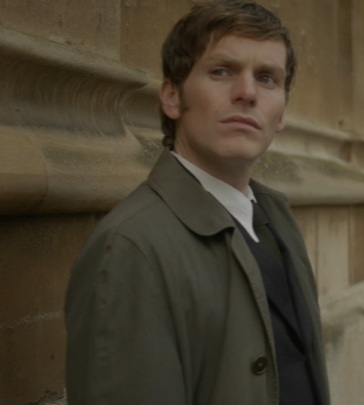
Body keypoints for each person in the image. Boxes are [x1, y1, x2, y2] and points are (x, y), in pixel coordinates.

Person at [64, 2, 330, 404]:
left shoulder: (275, 218)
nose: (247, 93)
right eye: (221, 71)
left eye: (267, 78)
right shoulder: (130, 247)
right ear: (172, 96)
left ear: (281, 116)